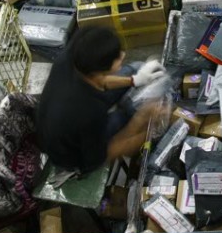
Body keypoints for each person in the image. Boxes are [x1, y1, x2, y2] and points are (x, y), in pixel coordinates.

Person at [36, 26, 168, 173]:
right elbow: (107, 154)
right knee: (131, 111)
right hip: (74, 156)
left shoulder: (70, 58)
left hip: (60, 120)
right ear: (99, 69)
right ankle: (130, 112)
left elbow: (100, 80)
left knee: (136, 68)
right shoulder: (90, 112)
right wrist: (146, 126)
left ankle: (131, 101)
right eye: (117, 58)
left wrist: (135, 80)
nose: (123, 55)